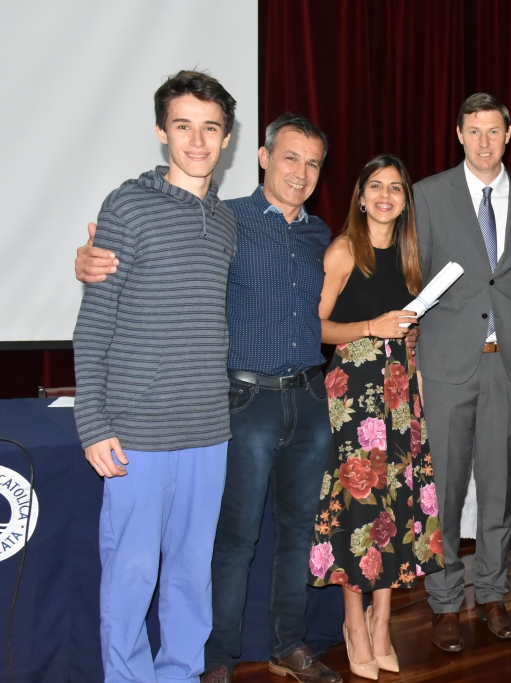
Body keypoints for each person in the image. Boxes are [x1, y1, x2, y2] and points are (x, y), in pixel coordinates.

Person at [75, 113, 341, 683]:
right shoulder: (230, 219)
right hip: (240, 404)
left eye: (313, 162)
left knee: (290, 535)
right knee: (228, 543)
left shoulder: (317, 235)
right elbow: (128, 283)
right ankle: (215, 661)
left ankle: (280, 646)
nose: (300, 172)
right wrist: (88, 261)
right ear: (263, 157)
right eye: (290, 157)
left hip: (302, 402)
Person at [73, 69, 237, 683]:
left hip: (208, 430)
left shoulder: (223, 221)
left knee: (192, 575)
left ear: (226, 138)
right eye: (184, 126)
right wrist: (93, 422)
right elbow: (94, 323)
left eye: (210, 128)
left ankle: (179, 675)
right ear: (162, 132)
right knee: (131, 574)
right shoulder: (126, 205)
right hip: (137, 433)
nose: (197, 140)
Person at [411, 93, 511, 652]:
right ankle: (443, 602)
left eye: (494, 131)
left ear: (508, 135)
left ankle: (491, 591)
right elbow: (410, 274)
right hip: (444, 367)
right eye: (474, 131)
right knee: (442, 489)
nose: (484, 141)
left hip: (507, 367)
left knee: (498, 488)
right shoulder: (426, 195)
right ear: (458, 135)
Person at [307, 155, 443, 680]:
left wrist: (407, 340)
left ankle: (382, 621)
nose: (386, 196)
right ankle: (354, 626)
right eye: (376, 187)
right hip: (355, 392)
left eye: (395, 188)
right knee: (359, 507)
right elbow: (315, 328)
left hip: (400, 390)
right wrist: (372, 326)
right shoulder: (344, 250)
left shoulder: (411, 255)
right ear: (360, 196)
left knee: (395, 506)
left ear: (405, 200)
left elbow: (409, 328)